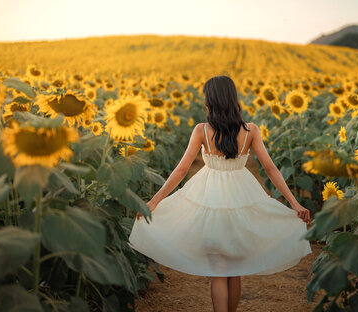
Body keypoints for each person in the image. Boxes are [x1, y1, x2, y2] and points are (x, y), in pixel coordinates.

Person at [129, 76, 312, 312]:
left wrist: (153, 202)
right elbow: (270, 168)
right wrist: (294, 204)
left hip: (209, 196)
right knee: (234, 272)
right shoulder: (250, 131)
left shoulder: (202, 130)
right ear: (232, 99)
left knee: (218, 271)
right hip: (242, 196)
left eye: (206, 96)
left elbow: (182, 169)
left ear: (211, 101)